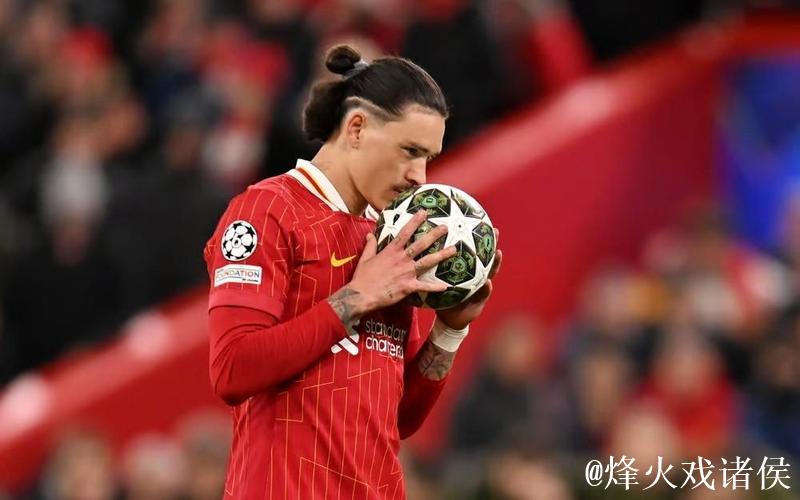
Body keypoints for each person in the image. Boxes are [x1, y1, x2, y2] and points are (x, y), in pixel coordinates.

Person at [203, 44, 502, 499]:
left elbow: (398, 419)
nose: (419, 176)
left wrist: (449, 331)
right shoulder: (267, 210)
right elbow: (232, 370)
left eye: (428, 157)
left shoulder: (388, 237)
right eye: (410, 150)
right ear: (357, 128)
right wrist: (356, 299)